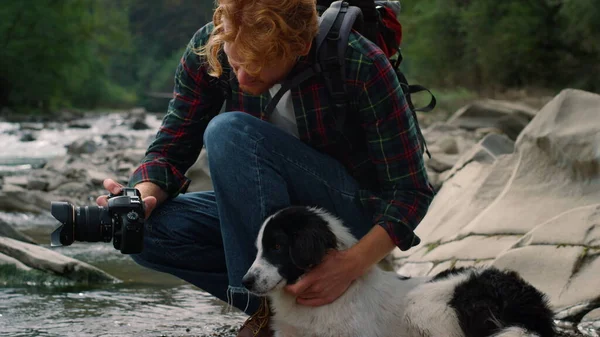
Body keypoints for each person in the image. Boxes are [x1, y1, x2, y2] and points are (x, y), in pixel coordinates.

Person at [97, 0, 434, 336]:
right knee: (143, 232)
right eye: (235, 61)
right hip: (268, 237)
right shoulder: (211, 48)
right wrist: (139, 198)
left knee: (229, 132)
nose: (241, 77)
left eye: (255, 67)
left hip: (344, 223)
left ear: (299, 46)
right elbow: (169, 151)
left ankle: (265, 319)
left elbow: (411, 192)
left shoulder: (359, 61)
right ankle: (271, 308)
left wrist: (349, 266)